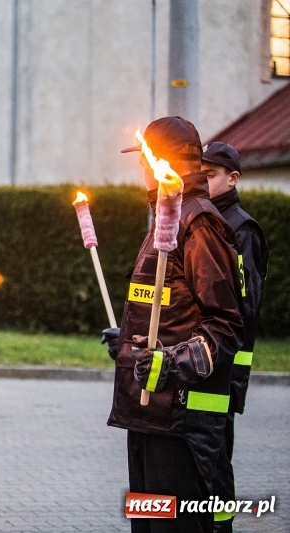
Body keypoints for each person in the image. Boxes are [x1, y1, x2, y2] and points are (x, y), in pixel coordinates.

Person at [106, 117, 244, 532]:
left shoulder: (199, 224)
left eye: (144, 159)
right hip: (147, 414)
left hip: (178, 419)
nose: (142, 170)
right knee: (148, 524)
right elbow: (163, 309)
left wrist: (173, 363)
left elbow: (224, 326)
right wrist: (129, 345)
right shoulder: (168, 217)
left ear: (161, 160)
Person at [201, 142, 269, 533]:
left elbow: (244, 308)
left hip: (224, 368)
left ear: (233, 178)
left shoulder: (241, 230)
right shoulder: (207, 222)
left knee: (215, 461)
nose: (204, 182)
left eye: (210, 176)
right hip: (205, 364)